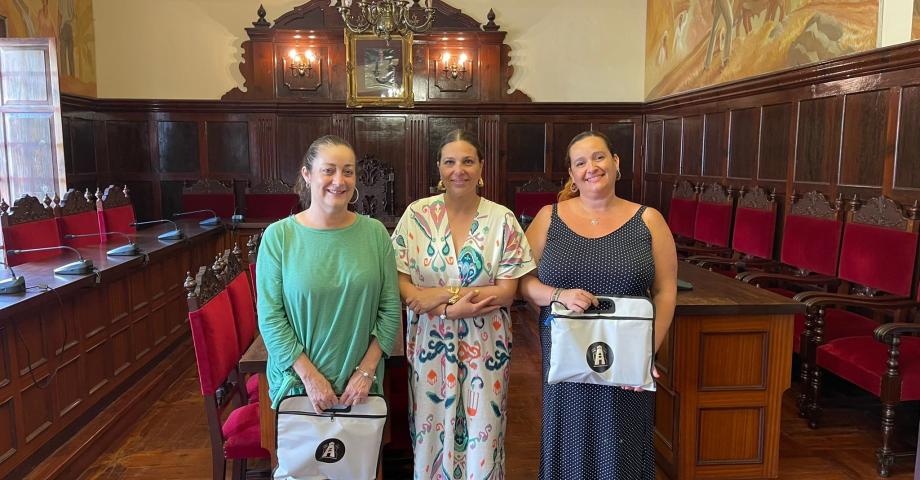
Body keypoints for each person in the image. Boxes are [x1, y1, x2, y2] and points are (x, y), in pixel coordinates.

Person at [518, 131, 677, 480]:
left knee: (621, 446)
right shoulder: (549, 217)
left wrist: (648, 352)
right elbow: (522, 281)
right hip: (565, 357)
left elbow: (665, 291)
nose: (591, 167)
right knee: (567, 445)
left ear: (616, 162)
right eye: (580, 163)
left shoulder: (649, 220)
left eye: (599, 157)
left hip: (627, 361)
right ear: (572, 176)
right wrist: (558, 295)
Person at [391, 129, 535, 479]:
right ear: (438, 168)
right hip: (428, 345)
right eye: (450, 161)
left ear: (481, 167)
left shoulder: (502, 220)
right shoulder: (416, 215)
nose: (459, 170)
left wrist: (441, 297)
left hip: (485, 344)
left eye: (468, 161)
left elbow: (506, 291)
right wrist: (446, 308)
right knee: (429, 431)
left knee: (484, 431)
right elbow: (401, 281)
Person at [257, 134, 401, 415]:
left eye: (348, 172)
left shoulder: (375, 234)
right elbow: (270, 317)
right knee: (302, 461)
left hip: (361, 388)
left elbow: (391, 310)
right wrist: (311, 378)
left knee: (361, 461)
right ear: (307, 175)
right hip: (298, 386)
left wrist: (366, 372)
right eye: (328, 170)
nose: (340, 180)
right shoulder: (278, 237)